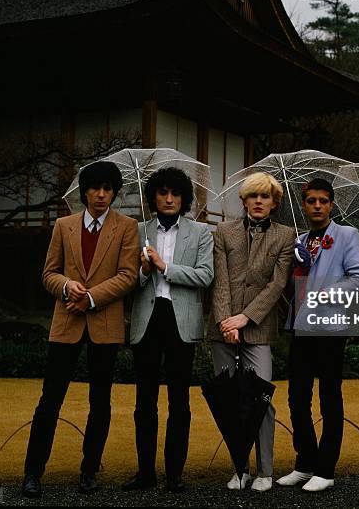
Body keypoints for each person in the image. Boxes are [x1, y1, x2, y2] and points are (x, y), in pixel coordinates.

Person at [21, 161, 139, 499]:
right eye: (95, 188)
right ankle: (32, 473)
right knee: (49, 401)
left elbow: (128, 276)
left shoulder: (127, 227)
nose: (101, 195)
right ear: (84, 191)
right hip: (66, 324)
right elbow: (48, 273)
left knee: (100, 402)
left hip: (104, 325)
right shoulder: (64, 225)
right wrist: (66, 285)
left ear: (115, 193)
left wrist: (89, 298)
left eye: (108, 189)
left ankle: (89, 471)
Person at [122, 167, 214, 493]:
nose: (169, 198)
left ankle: (175, 473)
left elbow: (205, 276)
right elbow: (125, 281)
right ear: (154, 197)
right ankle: (145, 472)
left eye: (175, 193)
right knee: (144, 401)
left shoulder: (201, 232)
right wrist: (144, 272)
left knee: (179, 401)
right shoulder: (135, 231)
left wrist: (165, 267)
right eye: (162, 193)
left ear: (184, 197)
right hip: (147, 321)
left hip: (181, 322)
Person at [277, 178, 359, 492]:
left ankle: (326, 470)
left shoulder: (346, 235)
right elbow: (292, 286)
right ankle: (305, 462)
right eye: (311, 201)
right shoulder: (299, 240)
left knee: (329, 397)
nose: (317, 206)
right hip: (301, 328)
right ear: (304, 204)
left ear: (331, 205)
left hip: (331, 327)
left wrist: (326, 293)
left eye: (323, 201)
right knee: (297, 397)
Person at [206, 171, 295, 492]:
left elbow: (278, 284)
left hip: (258, 328)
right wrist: (225, 321)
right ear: (243, 200)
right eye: (253, 196)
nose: (259, 201)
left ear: (274, 203)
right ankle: (240, 468)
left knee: (261, 399)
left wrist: (244, 318)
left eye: (265, 197)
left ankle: (266, 470)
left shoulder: (286, 236)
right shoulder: (223, 231)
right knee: (229, 401)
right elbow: (220, 280)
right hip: (222, 329)